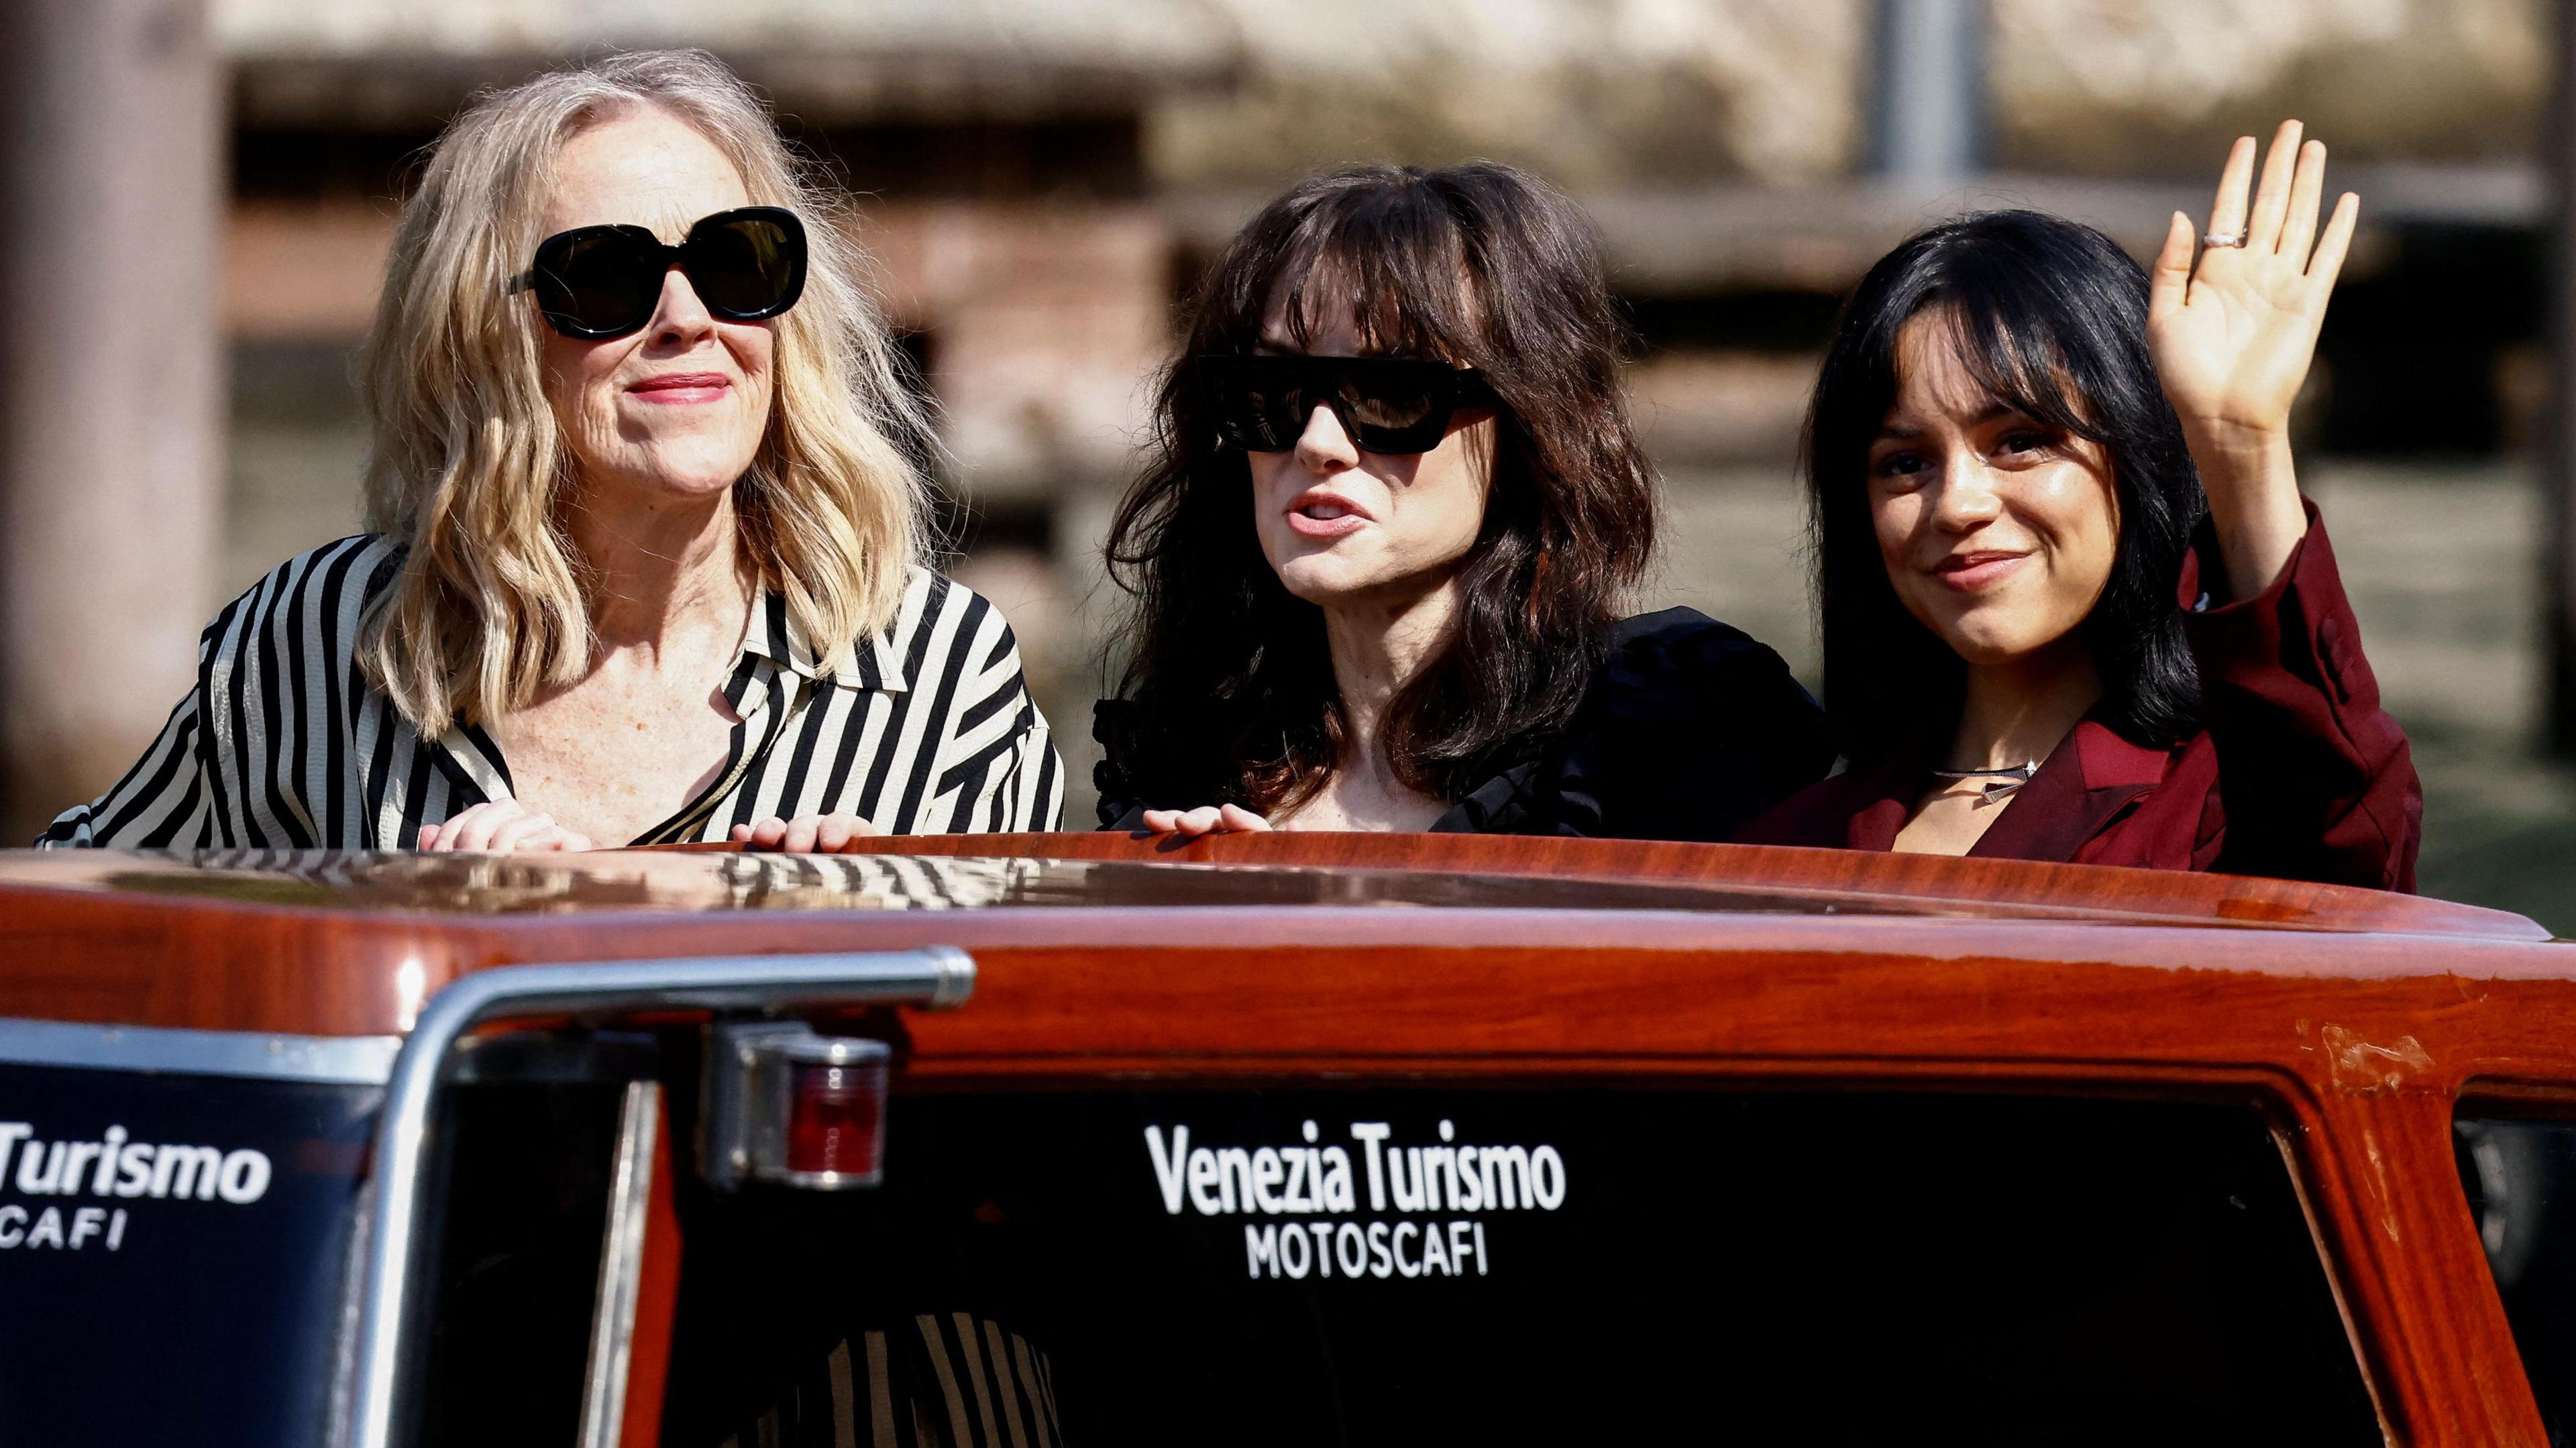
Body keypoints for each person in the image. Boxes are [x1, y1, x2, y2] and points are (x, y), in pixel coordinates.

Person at [40, 50, 1063, 852]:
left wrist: (893, 943)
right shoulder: (316, 646)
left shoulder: (939, 674)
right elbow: (74, 922)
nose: (686, 316)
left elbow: (1045, 1061)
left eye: (734, 259)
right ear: (481, 341)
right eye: (608, 276)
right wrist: (410, 939)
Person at [1741, 122, 2418, 889]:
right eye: (1904, 463)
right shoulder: (1787, 851)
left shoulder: (2222, 810)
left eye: (2020, 441)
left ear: (2137, 456)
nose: (1957, 504)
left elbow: (2345, 863)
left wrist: (2240, 446)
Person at [1094, 162, 1829, 839]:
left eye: (1391, 394)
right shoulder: (1184, 770)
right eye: (1272, 391)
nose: (1319, 441)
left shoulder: (1655, 735)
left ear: (1531, 426)